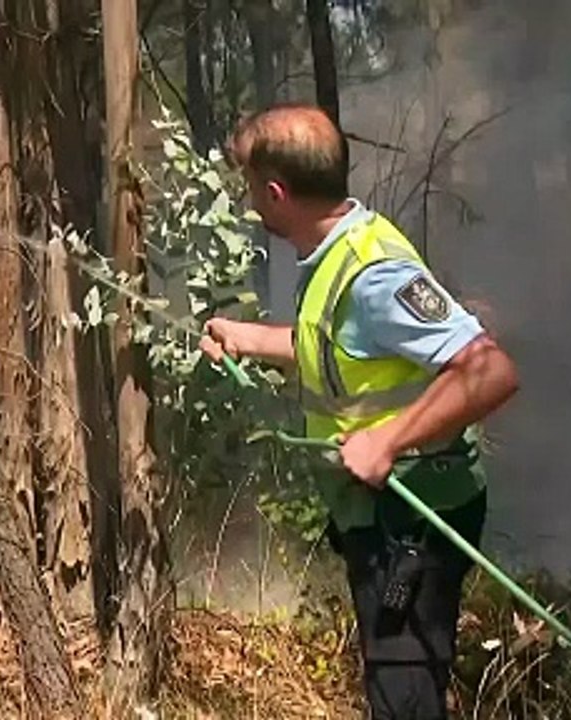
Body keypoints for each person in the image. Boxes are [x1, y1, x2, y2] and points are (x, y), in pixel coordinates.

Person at [200, 104, 519, 719]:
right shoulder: (334, 253)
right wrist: (250, 337)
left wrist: (387, 441)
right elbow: (333, 344)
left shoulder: (375, 272)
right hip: (379, 511)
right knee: (394, 686)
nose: (249, 203)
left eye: (250, 189)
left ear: (276, 192)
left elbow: (491, 371)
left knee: (404, 700)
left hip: (416, 516)